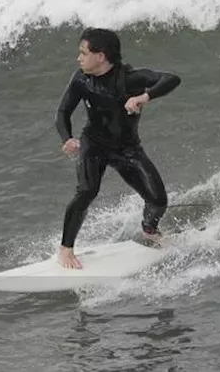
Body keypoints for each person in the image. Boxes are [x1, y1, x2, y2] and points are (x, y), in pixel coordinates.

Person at [53, 27, 181, 269]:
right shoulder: (81, 79)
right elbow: (62, 111)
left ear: (100, 56)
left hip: (127, 149)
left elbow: (172, 78)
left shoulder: (131, 79)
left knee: (158, 201)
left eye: (83, 53)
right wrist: (67, 138)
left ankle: (149, 230)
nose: (78, 58)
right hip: (94, 144)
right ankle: (66, 248)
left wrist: (145, 97)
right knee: (87, 191)